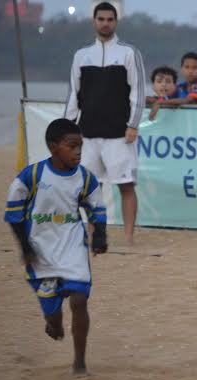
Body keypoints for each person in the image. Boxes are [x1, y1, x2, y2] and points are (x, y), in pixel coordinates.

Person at [4, 118, 107, 375]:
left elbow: (96, 207)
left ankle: (80, 362)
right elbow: (14, 214)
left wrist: (100, 235)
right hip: (41, 252)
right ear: (53, 148)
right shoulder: (32, 176)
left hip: (73, 247)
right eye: (72, 146)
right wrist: (25, 247)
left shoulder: (85, 179)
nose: (78, 152)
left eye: (80, 146)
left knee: (80, 300)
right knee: (53, 316)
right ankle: (54, 321)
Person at [64, 1, 145, 246]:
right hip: (87, 134)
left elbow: (138, 92)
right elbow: (73, 95)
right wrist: (67, 127)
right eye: (101, 19)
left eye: (110, 19)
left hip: (119, 134)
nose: (105, 23)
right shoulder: (81, 55)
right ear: (94, 21)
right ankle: (94, 235)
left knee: (126, 186)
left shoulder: (129, 53)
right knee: (90, 188)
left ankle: (129, 238)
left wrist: (133, 125)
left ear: (116, 21)